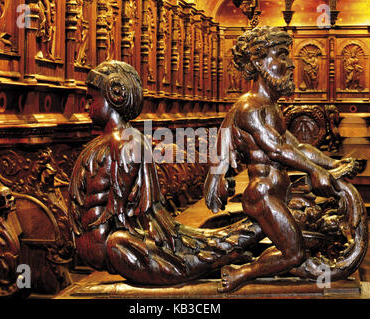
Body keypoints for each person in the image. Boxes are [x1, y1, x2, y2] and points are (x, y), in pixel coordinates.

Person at [69, 60, 263, 286]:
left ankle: (215, 259)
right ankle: (223, 253)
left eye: (91, 99)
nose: (85, 107)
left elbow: (122, 214)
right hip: (101, 244)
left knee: (125, 245)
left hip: (112, 244)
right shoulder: (117, 140)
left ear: (115, 96)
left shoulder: (126, 141)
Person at [204, 26, 350, 293]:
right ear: (259, 62)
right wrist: (315, 171)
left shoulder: (272, 107)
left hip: (278, 192)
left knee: (298, 248)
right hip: (262, 195)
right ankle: (242, 274)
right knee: (294, 253)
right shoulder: (250, 107)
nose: (291, 63)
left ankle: (282, 271)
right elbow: (277, 150)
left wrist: (332, 165)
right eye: (281, 54)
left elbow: (299, 147)